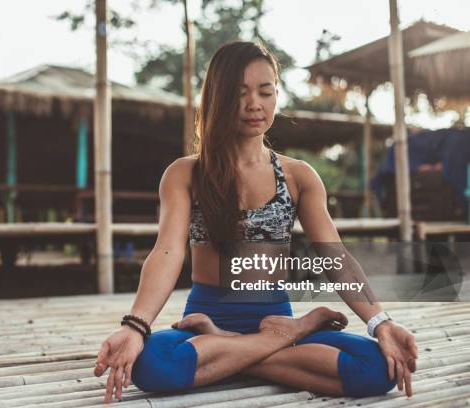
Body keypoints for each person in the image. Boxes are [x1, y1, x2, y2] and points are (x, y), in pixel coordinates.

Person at [93, 41, 418, 404]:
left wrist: (382, 323)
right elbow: (167, 252)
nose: (254, 104)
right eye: (240, 93)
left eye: (265, 92)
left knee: (378, 368)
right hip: (218, 316)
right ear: (217, 98)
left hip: (267, 317)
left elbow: (335, 257)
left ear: (277, 94)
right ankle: (271, 339)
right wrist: (135, 326)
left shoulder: (299, 177)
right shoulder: (185, 174)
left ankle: (231, 349)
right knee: (150, 364)